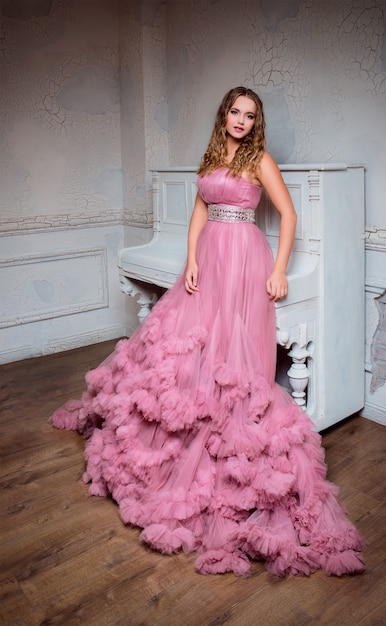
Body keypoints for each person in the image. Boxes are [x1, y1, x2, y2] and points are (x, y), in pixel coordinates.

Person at [50, 86, 365, 577]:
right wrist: (192, 257)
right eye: (235, 112)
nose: (241, 120)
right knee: (190, 345)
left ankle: (230, 436)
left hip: (244, 257)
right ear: (224, 115)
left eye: (249, 115)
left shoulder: (260, 158)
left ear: (256, 122)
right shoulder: (214, 155)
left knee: (234, 353)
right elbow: (200, 209)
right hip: (211, 255)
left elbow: (289, 214)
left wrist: (279, 269)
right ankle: (187, 425)